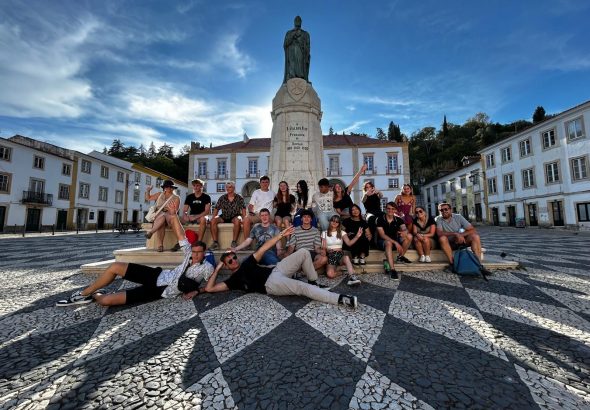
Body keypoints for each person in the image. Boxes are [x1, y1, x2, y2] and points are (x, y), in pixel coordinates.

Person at [204, 226, 358, 309]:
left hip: (277, 269)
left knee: (304, 252)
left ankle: (314, 282)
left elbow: (263, 248)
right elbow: (209, 289)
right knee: (301, 287)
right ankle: (341, 299)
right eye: (230, 261)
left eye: (234, 257)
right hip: (270, 284)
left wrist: (280, 236)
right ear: (226, 265)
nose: (234, 261)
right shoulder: (233, 280)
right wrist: (217, 269)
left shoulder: (246, 263)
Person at [57, 234, 213, 307]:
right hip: (156, 275)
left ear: (204, 252)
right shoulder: (188, 255)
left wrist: (197, 291)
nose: (196, 255)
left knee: (105, 301)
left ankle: (95, 294)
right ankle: (83, 294)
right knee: (115, 266)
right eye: (194, 252)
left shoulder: (206, 267)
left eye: (199, 252)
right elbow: (180, 233)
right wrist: (173, 215)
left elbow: (211, 285)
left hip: (160, 292)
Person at [321, 215, 362, 286]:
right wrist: (326, 250)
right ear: (330, 221)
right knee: (330, 275)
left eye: (337, 222)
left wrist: (357, 236)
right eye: (333, 221)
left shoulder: (342, 232)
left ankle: (352, 277)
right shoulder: (324, 233)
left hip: (339, 254)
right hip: (330, 255)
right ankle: (343, 271)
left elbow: (349, 243)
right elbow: (324, 248)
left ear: (339, 223)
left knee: (346, 257)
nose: (334, 223)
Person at [376, 202, 413, 279]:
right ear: (385, 209)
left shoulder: (399, 220)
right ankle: (392, 270)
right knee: (389, 243)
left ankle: (400, 256)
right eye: (388, 208)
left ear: (395, 210)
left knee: (409, 236)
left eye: (393, 209)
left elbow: (405, 229)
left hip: (395, 241)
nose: (390, 210)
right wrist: (395, 242)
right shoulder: (380, 219)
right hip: (382, 242)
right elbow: (382, 235)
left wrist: (404, 232)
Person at [145, 180, 182, 252]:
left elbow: (175, 211)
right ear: (164, 187)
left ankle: (151, 232)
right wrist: (148, 190)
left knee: (165, 216)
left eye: (170, 187)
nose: (168, 188)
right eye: (167, 187)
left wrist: (170, 209)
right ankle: (160, 246)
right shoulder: (159, 194)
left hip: (169, 215)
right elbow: (148, 198)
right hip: (159, 215)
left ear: (173, 188)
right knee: (161, 220)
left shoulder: (176, 197)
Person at [210, 181, 246, 250]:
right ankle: (215, 243)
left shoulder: (239, 198)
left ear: (234, 188)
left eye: (230, 187)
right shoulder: (222, 198)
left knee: (237, 219)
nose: (228, 189)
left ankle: (234, 242)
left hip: (235, 216)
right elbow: (216, 209)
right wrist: (213, 218)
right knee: (213, 220)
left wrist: (244, 218)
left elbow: (243, 209)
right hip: (224, 216)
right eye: (227, 187)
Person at [243, 175, 275, 240]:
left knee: (267, 222)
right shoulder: (256, 192)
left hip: (268, 215)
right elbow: (250, 205)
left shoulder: (273, 193)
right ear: (260, 183)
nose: (265, 184)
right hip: (257, 214)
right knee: (246, 219)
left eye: (266, 182)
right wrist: (250, 211)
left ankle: (268, 243)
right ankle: (246, 242)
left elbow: (277, 204)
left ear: (269, 183)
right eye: (263, 182)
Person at [283, 15, 311, 83]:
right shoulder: (289, 32)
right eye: (296, 20)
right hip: (291, 52)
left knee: (300, 62)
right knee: (292, 64)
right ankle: (291, 75)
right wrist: (293, 36)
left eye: (299, 21)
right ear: (294, 22)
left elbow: (308, 45)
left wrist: (302, 45)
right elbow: (285, 44)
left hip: (301, 52)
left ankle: (302, 77)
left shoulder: (305, 34)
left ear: (301, 22)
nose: (297, 22)